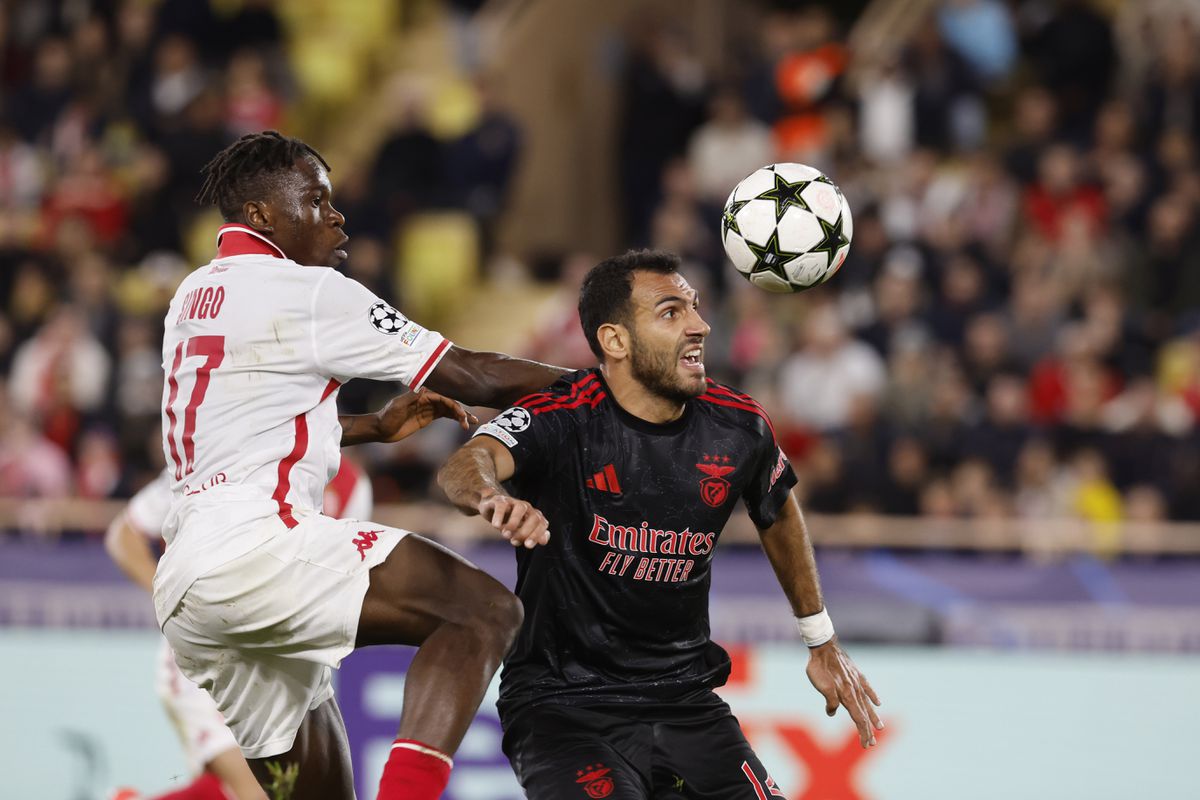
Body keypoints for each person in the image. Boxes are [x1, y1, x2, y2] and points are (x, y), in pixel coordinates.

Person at [155, 130, 566, 800]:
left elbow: (242, 425)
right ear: (261, 214)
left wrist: (372, 426)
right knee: (483, 612)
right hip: (258, 547)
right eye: (316, 199)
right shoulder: (311, 291)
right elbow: (472, 374)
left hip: (191, 587)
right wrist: (604, 384)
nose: (337, 215)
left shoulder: (194, 294)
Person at [439, 250, 882, 799]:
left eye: (695, 308)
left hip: (687, 704)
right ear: (615, 340)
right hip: (565, 707)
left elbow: (778, 508)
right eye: (671, 313)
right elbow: (466, 463)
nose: (700, 325)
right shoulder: (564, 415)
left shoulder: (740, 427)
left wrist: (820, 638)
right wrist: (490, 497)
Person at [105, 458, 372, 800]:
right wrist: (173, 603)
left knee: (270, 789)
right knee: (259, 791)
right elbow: (124, 535)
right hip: (207, 654)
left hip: (277, 662)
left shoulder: (351, 485)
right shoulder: (217, 452)